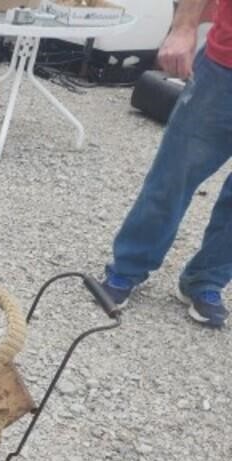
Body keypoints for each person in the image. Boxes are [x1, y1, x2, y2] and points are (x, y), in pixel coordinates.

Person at [101, 0, 232, 328]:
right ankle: (128, 267)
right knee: (175, 173)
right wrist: (184, 27)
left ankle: (207, 280)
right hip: (224, 72)